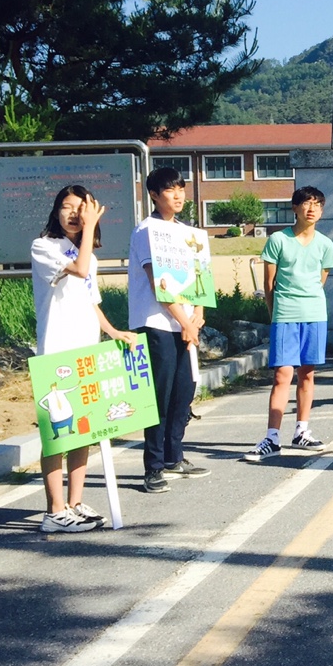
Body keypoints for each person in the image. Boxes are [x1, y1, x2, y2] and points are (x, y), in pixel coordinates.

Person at [30, 185, 139, 532]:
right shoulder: (44, 246)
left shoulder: (88, 254)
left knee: (82, 432)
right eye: (68, 207)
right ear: (55, 212)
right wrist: (91, 226)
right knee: (56, 435)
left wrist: (113, 331)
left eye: (83, 208)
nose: (75, 214)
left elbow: (91, 302)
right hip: (56, 354)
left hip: (85, 353)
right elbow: (76, 270)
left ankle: (75, 503)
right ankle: (54, 511)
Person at [129, 167, 209, 494]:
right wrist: (186, 321)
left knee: (184, 390)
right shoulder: (147, 231)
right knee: (158, 396)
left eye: (181, 189)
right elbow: (158, 283)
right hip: (157, 324)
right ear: (152, 195)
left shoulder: (188, 233)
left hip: (186, 325)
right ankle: (154, 466)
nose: (177, 196)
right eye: (169, 191)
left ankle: (175, 455)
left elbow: (201, 279)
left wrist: (198, 315)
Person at [244, 187, 333, 461]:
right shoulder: (277, 240)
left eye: (317, 204)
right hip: (285, 314)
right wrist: (275, 314)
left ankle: (302, 431)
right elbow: (268, 284)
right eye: (306, 203)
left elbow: (320, 280)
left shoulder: (325, 244)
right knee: (283, 374)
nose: (311, 209)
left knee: (307, 373)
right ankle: (272, 437)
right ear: (294, 208)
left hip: (315, 314)